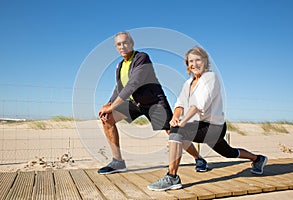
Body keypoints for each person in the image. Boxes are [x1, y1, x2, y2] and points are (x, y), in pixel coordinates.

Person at [147, 46, 268, 191]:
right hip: (200, 126)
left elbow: (199, 104)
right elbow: (179, 104)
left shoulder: (210, 78)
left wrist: (182, 123)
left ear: (205, 62)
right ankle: (257, 159)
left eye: (198, 60)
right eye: (191, 61)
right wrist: (175, 117)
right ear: (187, 64)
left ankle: (172, 177)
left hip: (214, 127)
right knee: (228, 152)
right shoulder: (188, 83)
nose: (195, 64)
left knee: (177, 131)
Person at [98, 32, 204, 174]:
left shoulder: (142, 58)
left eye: (125, 43)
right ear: (116, 47)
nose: (122, 46)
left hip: (154, 103)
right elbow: (119, 87)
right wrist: (108, 104)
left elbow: (133, 84)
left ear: (131, 43)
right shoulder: (119, 66)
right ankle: (118, 162)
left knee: (172, 132)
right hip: (135, 103)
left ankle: (198, 158)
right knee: (107, 119)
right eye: (119, 44)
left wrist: (112, 106)